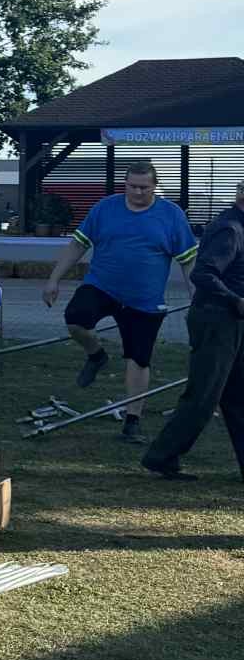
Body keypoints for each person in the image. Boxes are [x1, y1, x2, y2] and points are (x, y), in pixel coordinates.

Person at [42, 160, 197, 443]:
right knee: (75, 318)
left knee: (138, 358)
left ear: (155, 186)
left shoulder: (171, 215)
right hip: (102, 287)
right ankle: (96, 355)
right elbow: (78, 244)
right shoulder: (105, 208)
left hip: (145, 300)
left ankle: (132, 422)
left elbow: (188, 261)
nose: (137, 192)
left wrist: (196, 300)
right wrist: (54, 279)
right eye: (132, 186)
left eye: (144, 187)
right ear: (124, 184)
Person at [141, 178, 244, 482]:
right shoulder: (229, 229)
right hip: (216, 319)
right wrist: (236, 300)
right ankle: (161, 457)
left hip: (234, 320)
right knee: (204, 396)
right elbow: (203, 274)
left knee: (238, 396)